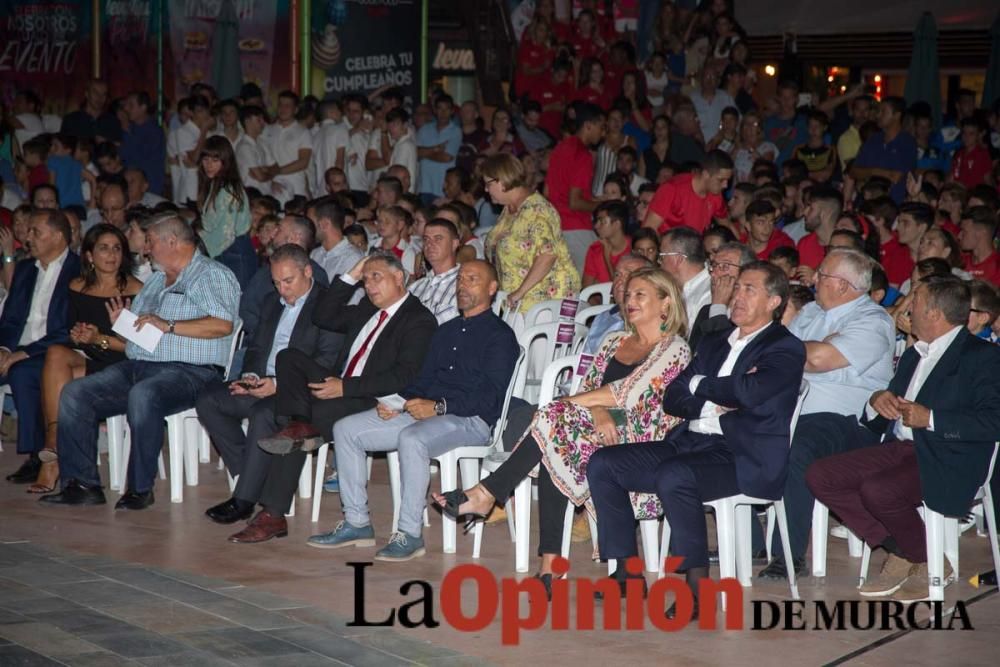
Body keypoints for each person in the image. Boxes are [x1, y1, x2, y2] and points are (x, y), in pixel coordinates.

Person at [436, 267, 690, 593]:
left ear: (665, 303)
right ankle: (546, 564)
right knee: (555, 443)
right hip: (595, 430)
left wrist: (577, 405)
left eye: (641, 294)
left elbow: (627, 394)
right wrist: (596, 410)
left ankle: (492, 499)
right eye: (628, 295)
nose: (630, 300)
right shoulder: (614, 341)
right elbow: (590, 386)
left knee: (553, 424)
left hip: (643, 438)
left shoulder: (674, 348)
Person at [587, 261, 805, 617]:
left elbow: (749, 392)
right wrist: (713, 402)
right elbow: (673, 396)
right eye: (737, 288)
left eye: (750, 289)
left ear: (774, 301)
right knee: (605, 463)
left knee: (677, 474)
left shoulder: (785, 347)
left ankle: (697, 590)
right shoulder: (714, 341)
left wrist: (701, 386)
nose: (738, 296)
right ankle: (626, 570)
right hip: (690, 441)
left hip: (742, 454)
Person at [806, 276, 1000, 601]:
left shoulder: (981, 356)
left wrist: (932, 419)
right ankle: (911, 552)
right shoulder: (914, 354)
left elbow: (993, 420)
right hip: (902, 448)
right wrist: (877, 400)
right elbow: (886, 409)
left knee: (879, 489)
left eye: (916, 302)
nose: (907, 307)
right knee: (821, 475)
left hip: (950, 455)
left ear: (935, 314)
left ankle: (915, 556)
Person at [312, 260, 518, 560]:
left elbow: (489, 398)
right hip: (429, 413)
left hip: (471, 419)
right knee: (346, 429)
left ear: (492, 288)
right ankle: (357, 523)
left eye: (473, 279)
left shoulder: (500, 336)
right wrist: (397, 403)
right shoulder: (446, 330)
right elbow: (422, 380)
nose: (462, 285)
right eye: (460, 279)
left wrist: (438, 407)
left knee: (412, 439)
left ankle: (409, 534)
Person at [224, 253, 437, 543]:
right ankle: (298, 423)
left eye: (378, 277)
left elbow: (403, 376)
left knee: (294, 430)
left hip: (372, 397)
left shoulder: (418, 319)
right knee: (289, 358)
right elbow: (322, 315)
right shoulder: (366, 308)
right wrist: (351, 275)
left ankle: (272, 514)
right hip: (340, 386)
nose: (370, 285)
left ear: (399, 277)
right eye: (366, 279)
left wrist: (345, 387)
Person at [41, 213, 240, 509]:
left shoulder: (209, 274)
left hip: (192, 372)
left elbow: (222, 325)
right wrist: (123, 323)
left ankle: (140, 489)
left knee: (144, 394)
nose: (145, 250)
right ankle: (82, 484)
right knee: (75, 392)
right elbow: (143, 334)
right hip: (139, 365)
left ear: (171, 241)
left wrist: (169, 324)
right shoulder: (157, 280)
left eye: (150, 242)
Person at [757, 249, 896, 580]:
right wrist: (810, 349)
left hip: (847, 423)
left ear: (845, 285)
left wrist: (804, 352)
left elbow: (817, 359)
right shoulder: (810, 313)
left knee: (797, 446)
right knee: (729, 431)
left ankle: (788, 555)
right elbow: (775, 356)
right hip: (792, 412)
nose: (813, 279)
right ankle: (749, 540)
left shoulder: (873, 321)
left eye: (822, 275)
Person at [197, 244, 343, 524]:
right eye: (276, 282)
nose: (282, 289)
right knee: (209, 400)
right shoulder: (270, 302)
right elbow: (256, 348)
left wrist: (277, 385)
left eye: (288, 281)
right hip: (264, 384)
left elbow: (326, 364)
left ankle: (244, 499)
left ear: (308, 272)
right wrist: (251, 376)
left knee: (262, 412)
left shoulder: (328, 307)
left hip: (301, 393)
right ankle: (251, 476)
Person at [27, 224, 142, 493]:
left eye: (117, 248)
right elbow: (69, 331)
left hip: (122, 366)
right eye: (103, 248)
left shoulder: (136, 289)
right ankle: (55, 444)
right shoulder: (77, 286)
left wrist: (98, 338)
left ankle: (53, 458)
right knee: (56, 354)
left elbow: (138, 348)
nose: (111, 254)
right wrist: (78, 336)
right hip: (90, 360)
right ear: (89, 255)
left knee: (60, 387)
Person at [0, 209, 81, 484]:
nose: (28, 237)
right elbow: (10, 319)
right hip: (17, 349)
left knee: (23, 373)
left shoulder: (78, 271)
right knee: (16, 367)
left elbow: (70, 328)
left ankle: (37, 456)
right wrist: (4, 348)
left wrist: (23, 353)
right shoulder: (24, 269)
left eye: (36, 232)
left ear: (58, 236)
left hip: (54, 350)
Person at [482, 153, 579, 316]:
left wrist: (519, 292)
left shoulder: (536, 210)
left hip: (545, 301)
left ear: (502, 180)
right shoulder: (510, 209)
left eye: (487, 184)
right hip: (519, 301)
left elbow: (547, 255)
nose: (485, 189)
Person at [239, 215, 329, 342]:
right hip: (259, 344)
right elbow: (245, 309)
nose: (273, 234)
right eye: (276, 283)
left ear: (295, 237)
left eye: (279, 229)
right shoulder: (266, 270)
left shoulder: (315, 275)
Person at [543, 103, 606, 271]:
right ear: (588, 126)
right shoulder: (583, 154)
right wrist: (604, 205)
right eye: (601, 127)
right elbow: (575, 202)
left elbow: (547, 192)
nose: (603, 132)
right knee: (595, 279)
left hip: (555, 227)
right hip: (576, 226)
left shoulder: (559, 148)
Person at [197, 135, 257, 289]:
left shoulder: (228, 189)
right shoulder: (215, 186)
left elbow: (226, 233)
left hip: (233, 251)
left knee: (237, 305)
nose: (209, 165)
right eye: (206, 159)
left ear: (226, 162)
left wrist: (198, 250)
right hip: (225, 251)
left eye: (215, 160)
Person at [643, 150, 732, 234]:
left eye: (727, 180)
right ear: (706, 174)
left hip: (693, 246)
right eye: (721, 180)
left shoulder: (715, 194)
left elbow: (726, 224)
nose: (725, 185)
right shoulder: (672, 189)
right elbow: (648, 230)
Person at [850, 96, 917, 204]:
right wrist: (875, 171)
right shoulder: (873, 140)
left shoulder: (907, 143)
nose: (878, 115)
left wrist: (867, 174)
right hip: (866, 203)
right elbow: (854, 172)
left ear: (896, 115)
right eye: (878, 111)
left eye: (883, 112)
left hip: (892, 205)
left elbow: (896, 176)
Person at [406, 219, 461, 324]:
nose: (429, 244)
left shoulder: (464, 285)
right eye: (426, 239)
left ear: (454, 244)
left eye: (438, 238)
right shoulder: (415, 287)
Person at [262, 91, 313, 203]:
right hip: (271, 188)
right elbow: (261, 158)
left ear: (295, 110)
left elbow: (303, 161)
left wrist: (277, 171)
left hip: (296, 188)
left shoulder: (303, 132)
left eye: (287, 106)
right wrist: (270, 179)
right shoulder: (267, 130)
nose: (283, 109)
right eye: (280, 104)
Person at [658, 226, 710, 327]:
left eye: (662, 257)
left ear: (678, 259)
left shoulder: (708, 294)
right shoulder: (676, 290)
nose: (659, 263)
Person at [416, 95, 461, 204]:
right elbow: (416, 153)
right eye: (440, 108)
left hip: (444, 190)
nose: (443, 112)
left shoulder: (456, 131)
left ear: (452, 111)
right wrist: (436, 149)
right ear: (435, 110)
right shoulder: (424, 129)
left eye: (446, 109)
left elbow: (446, 157)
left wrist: (425, 153)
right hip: (424, 188)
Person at [119, 92, 166, 196]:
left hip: (150, 188)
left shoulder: (154, 131)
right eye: (125, 105)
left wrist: (127, 132)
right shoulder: (129, 128)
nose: (126, 109)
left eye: (131, 105)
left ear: (143, 107)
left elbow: (137, 159)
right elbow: (123, 157)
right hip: (130, 187)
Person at [308, 198, 365, 281]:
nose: (307, 227)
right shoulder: (315, 254)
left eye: (310, 222)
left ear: (324, 224)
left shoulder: (353, 258)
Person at [583, 201, 633, 288]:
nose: (596, 226)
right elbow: (586, 289)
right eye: (596, 221)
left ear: (617, 224)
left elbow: (621, 288)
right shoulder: (595, 249)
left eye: (602, 221)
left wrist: (606, 257)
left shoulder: (634, 249)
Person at [959, 206, 1000, 286]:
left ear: (981, 232)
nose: (959, 236)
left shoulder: (997, 267)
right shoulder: (960, 261)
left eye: (964, 231)